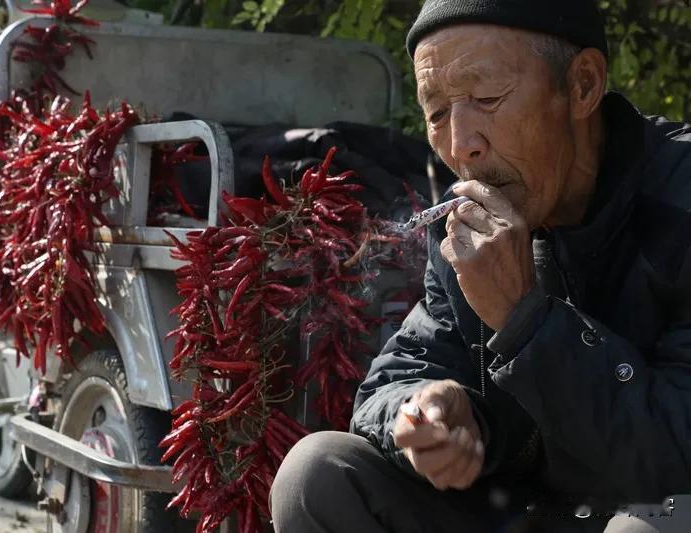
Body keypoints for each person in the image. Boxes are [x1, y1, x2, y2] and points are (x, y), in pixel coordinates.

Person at [270, 1, 691, 531]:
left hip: (647, 509)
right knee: (319, 473)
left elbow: (677, 454)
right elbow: (393, 382)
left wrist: (527, 323)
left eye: (488, 98)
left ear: (582, 85)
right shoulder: (475, 218)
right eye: (438, 112)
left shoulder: (680, 200)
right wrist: (436, 411)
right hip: (525, 514)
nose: (462, 146)